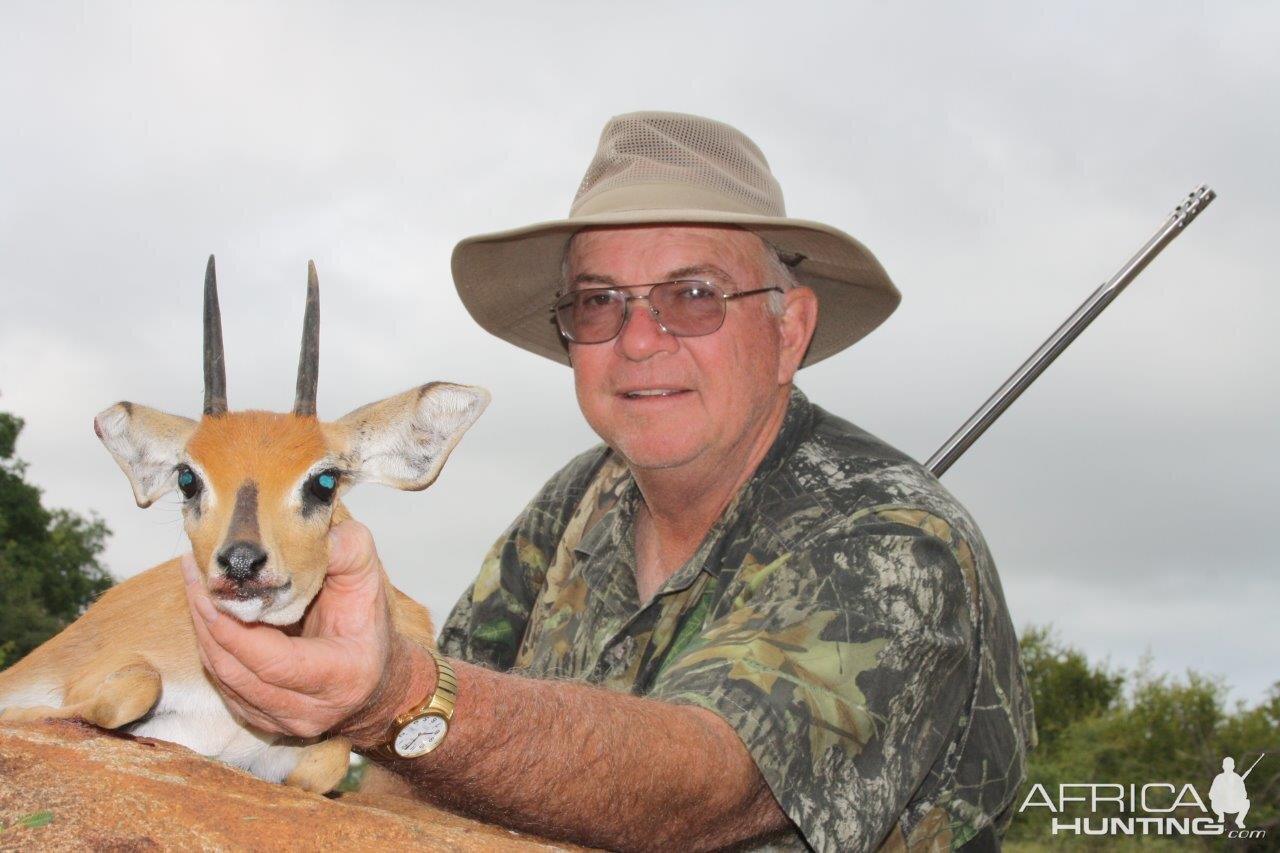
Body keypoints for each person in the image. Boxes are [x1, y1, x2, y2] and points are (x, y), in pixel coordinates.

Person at [181, 111, 1035, 851]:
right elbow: (430, 768)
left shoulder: (896, 540)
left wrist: (401, 696)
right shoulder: (574, 503)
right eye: (598, 302)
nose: (636, 340)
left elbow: (713, 785)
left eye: (694, 294)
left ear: (789, 330)